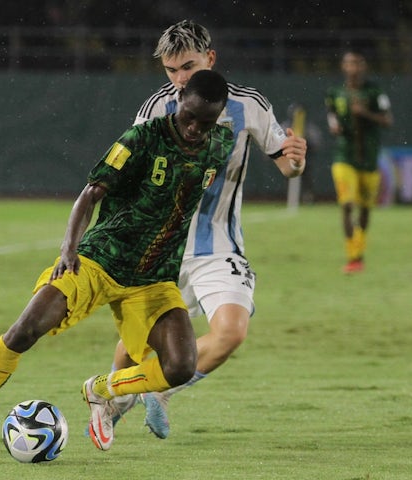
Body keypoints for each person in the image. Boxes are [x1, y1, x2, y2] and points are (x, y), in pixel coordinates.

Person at [0, 70, 245, 459]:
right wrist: (70, 247)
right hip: (99, 260)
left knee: (181, 366)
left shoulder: (220, 144)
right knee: (24, 330)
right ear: (179, 97)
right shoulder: (142, 138)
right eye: (190, 117)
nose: (195, 129)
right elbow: (91, 193)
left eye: (207, 122)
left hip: (154, 278)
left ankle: (102, 389)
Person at [106, 20, 308, 440]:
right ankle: (110, 404)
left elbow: (286, 165)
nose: (180, 80)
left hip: (219, 245)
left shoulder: (248, 105)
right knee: (131, 350)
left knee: (231, 333)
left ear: (211, 59)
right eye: (171, 71)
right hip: (160, 248)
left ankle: (161, 390)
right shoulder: (155, 110)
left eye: (188, 67)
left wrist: (297, 159)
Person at [325, 50, 393, 274]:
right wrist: (334, 126)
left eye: (356, 63)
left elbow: (387, 120)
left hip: (369, 159)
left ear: (363, 66)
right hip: (344, 156)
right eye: (348, 63)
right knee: (347, 204)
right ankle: (352, 255)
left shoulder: (375, 92)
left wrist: (365, 113)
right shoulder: (335, 93)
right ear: (343, 67)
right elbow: (331, 114)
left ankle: (358, 253)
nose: (352, 68)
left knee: (365, 209)